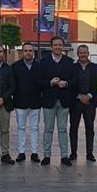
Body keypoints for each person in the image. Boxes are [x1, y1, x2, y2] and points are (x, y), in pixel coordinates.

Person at [36, 36, 77, 166]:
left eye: (60, 45)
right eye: (55, 45)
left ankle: (64, 156)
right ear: (51, 47)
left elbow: (74, 80)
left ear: (63, 46)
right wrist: (50, 82)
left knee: (63, 129)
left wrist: (66, 83)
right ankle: (47, 155)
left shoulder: (70, 62)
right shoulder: (43, 62)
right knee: (48, 129)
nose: (58, 47)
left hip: (64, 101)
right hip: (49, 100)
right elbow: (38, 81)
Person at [69, 45, 97, 161]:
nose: (83, 55)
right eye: (81, 53)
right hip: (75, 102)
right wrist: (79, 96)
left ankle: (90, 153)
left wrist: (89, 96)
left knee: (90, 128)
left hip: (90, 102)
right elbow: (70, 84)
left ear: (88, 53)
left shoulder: (95, 67)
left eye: (85, 52)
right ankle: (73, 153)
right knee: (73, 128)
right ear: (77, 54)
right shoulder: (72, 68)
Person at [12, 43, 42, 163]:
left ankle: (34, 153)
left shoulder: (39, 66)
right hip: (20, 101)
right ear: (22, 52)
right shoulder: (15, 66)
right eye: (26, 50)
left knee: (35, 128)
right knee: (21, 128)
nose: (28, 52)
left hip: (35, 102)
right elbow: (13, 84)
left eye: (30, 50)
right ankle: (21, 152)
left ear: (33, 52)